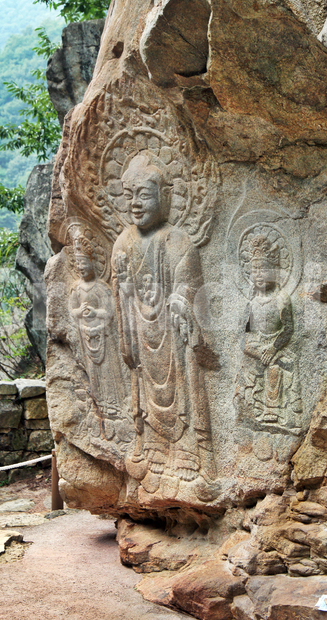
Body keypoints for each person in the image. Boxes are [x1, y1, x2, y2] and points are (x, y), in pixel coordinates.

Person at [111, 152, 216, 495]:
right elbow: (120, 296)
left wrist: (181, 301)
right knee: (145, 387)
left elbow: (190, 287)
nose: (135, 204)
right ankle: (152, 449)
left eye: (144, 195)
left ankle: (191, 453)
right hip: (141, 335)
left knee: (185, 387)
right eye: (129, 196)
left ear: (165, 197)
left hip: (174, 338)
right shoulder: (123, 244)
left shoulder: (178, 240)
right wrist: (125, 290)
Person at [234, 232, 302, 431]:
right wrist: (256, 350)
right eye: (254, 270)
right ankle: (249, 409)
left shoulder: (281, 298)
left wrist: (273, 348)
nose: (259, 275)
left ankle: (273, 410)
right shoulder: (251, 303)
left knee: (274, 367)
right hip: (256, 348)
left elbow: (288, 329)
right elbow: (245, 336)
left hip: (276, 346)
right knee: (247, 365)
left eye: (263, 269)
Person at [68, 230, 128, 442]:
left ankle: (115, 408)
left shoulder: (102, 288)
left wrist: (95, 312)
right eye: (78, 263)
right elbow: (72, 311)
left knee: (109, 374)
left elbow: (111, 312)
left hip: (104, 338)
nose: (81, 267)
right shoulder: (76, 290)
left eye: (84, 262)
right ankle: (98, 406)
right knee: (93, 375)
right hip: (86, 338)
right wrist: (80, 312)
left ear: (94, 263)